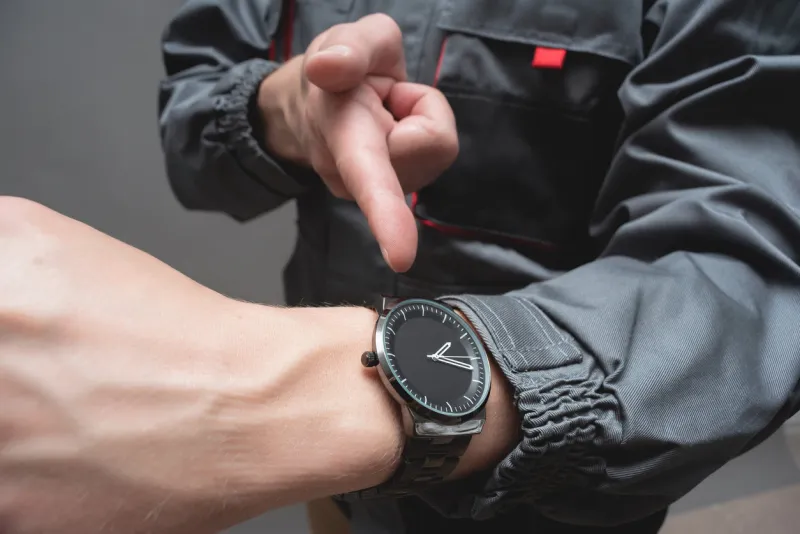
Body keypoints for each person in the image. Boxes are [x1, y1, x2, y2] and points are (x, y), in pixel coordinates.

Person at [2, 0, 798, 533]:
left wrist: (262, 397)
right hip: (325, 487)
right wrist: (284, 109)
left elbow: (746, 276)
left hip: (555, 501)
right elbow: (189, 122)